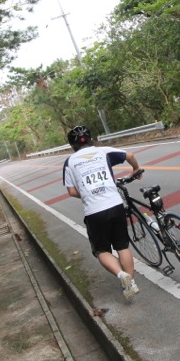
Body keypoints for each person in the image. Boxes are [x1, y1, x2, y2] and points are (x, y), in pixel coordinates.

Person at [62, 125, 143, 300]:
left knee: (102, 250)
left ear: (72, 145)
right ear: (91, 139)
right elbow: (130, 156)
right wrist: (135, 169)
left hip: (94, 212)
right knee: (122, 246)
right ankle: (132, 284)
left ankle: (121, 275)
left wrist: (87, 194)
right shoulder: (103, 152)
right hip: (115, 205)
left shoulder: (69, 162)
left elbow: (71, 191)